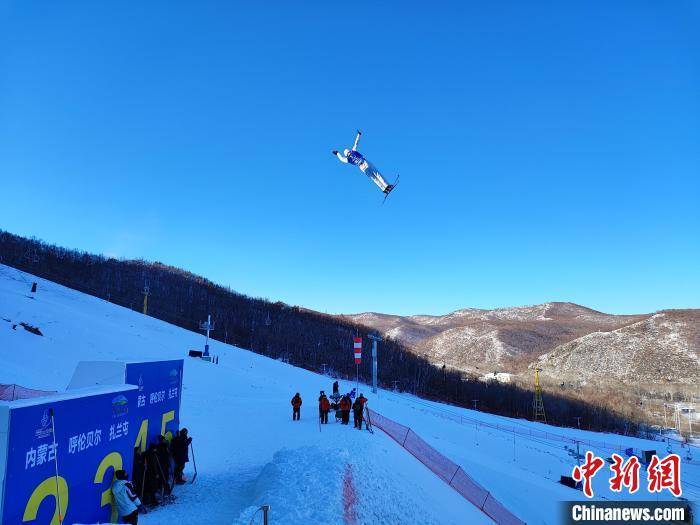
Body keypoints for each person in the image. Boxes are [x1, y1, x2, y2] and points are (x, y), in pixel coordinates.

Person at [332, 131, 395, 195]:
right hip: (364, 162)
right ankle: (387, 186)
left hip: (362, 168)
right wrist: (359, 135)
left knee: (373, 178)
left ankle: (384, 189)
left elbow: (341, 159)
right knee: (377, 174)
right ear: (349, 151)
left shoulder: (347, 159)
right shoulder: (353, 151)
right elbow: (356, 143)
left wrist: (337, 153)